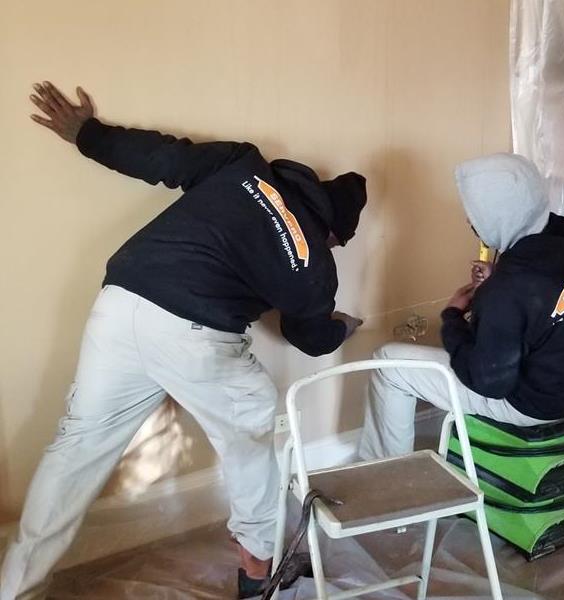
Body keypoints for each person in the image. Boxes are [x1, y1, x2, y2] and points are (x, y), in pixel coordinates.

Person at [1, 82, 366, 600]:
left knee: (75, 449)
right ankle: (258, 576)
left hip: (121, 300)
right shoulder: (314, 262)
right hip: (193, 330)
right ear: (334, 232)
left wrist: (86, 133)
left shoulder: (244, 167)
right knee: (254, 433)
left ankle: (15, 587)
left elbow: (161, 156)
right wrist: (342, 326)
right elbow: (307, 336)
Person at [359, 153, 564, 460]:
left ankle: (384, 473)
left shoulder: (509, 289)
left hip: (534, 405)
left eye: (475, 214)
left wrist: (453, 318)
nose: (469, 221)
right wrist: (499, 286)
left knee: (388, 365)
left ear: (499, 215)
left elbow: (488, 382)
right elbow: (547, 302)